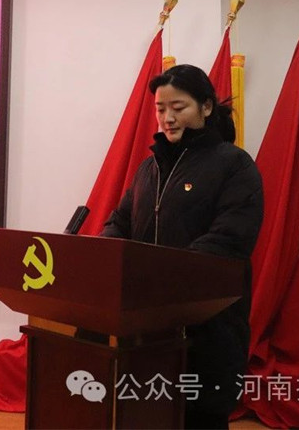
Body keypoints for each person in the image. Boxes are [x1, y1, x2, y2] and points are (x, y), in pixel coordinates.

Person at [101, 64, 264, 429]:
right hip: (148, 329)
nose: (167, 118)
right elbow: (119, 223)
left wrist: (159, 276)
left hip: (209, 329)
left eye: (178, 107)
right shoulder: (149, 169)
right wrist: (102, 259)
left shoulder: (234, 165)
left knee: (200, 418)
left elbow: (228, 241)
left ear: (206, 107)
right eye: (160, 109)